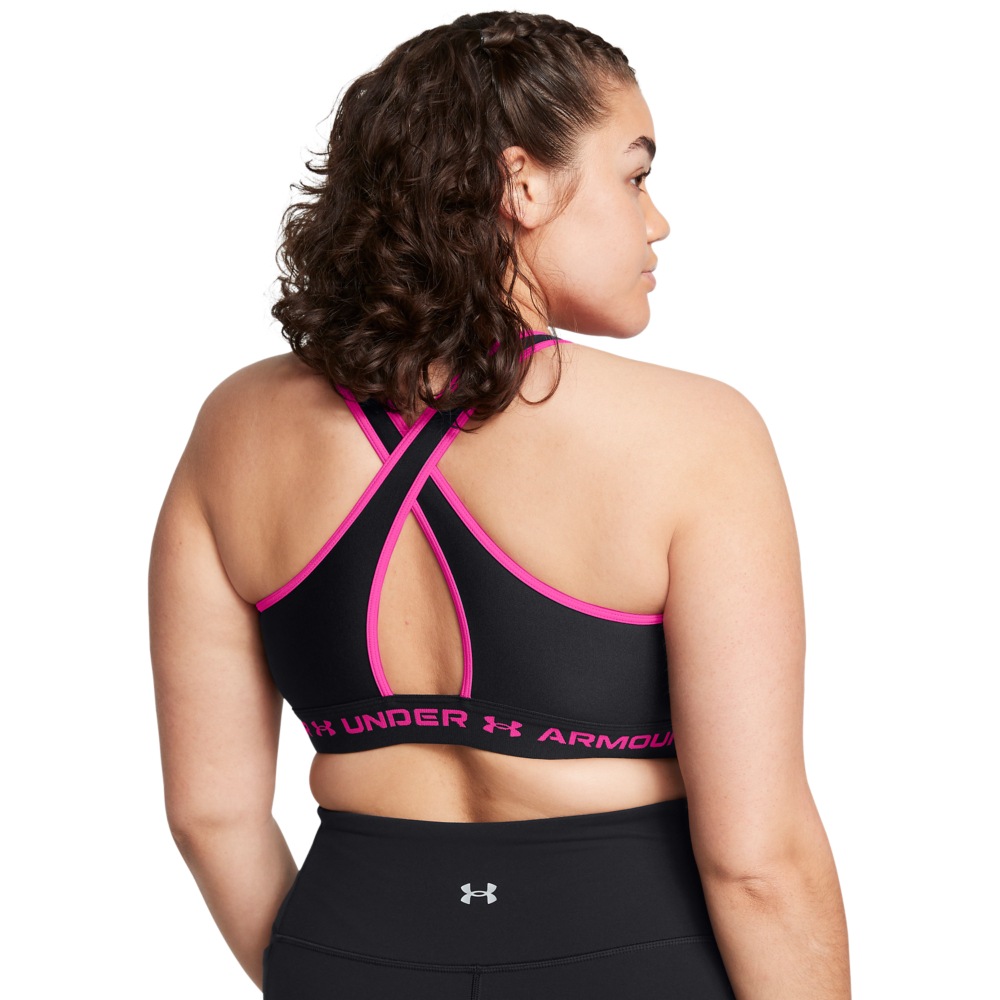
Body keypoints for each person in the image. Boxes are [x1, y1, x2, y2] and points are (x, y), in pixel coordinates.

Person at [149, 11, 850, 998]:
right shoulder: (698, 435)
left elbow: (210, 815)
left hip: (348, 952)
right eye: (634, 176)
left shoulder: (237, 427)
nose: (656, 221)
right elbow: (757, 860)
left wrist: (337, 972)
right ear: (522, 184)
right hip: (627, 958)